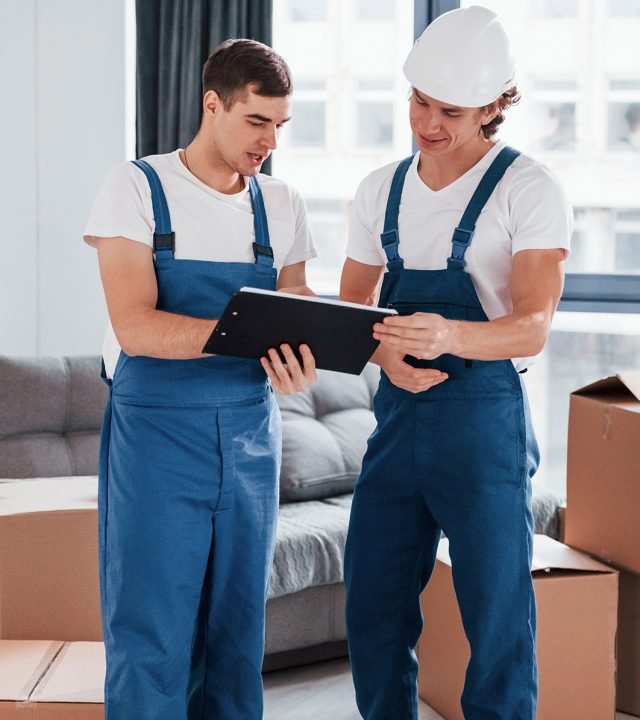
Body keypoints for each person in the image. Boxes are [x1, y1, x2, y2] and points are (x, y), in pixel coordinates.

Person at [339, 6, 572, 719]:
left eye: (449, 109)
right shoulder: (381, 188)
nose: (428, 123)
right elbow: (350, 309)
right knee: (372, 604)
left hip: (483, 428)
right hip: (398, 420)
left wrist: (450, 337)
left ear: (495, 106)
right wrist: (385, 353)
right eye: (419, 102)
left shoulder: (527, 188)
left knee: (497, 617)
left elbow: (531, 325)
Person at [83, 39, 317, 720]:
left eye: (280, 125)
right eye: (256, 121)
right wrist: (244, 337)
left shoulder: (282, 204)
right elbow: (136, 326)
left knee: (237, 631)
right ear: (212, 104)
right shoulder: (135, 186)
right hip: (158, 433)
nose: (269, 141)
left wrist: (299, 363)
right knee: (152, 631)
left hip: (250, 433)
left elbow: (298, 307)